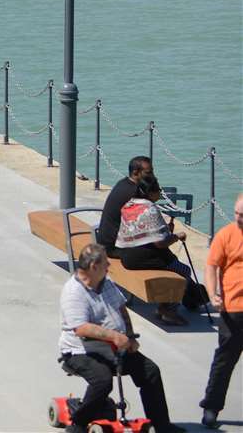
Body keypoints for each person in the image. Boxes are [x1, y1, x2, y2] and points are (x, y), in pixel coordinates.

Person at [58, 242, 178, 433]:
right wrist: (115, 336)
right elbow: (81, 328)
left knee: (150, 372)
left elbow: (121, 308)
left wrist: (129, 336)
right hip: (81, 351)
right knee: (103, 380)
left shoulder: (106, 282)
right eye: (105, 263)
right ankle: (78, 423)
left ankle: (162, 425)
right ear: (93, 267)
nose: (109, 266)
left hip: (114, 348)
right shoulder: (73, 291)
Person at [98, 156, 196, 326]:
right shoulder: (145, 204)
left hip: (123, 246)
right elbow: (159, 242)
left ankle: (191, 296)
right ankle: (170, 307)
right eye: (148, 172)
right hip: (120, 249)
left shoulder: (129, 193)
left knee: (168, 259)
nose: (152, 176)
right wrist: (175, 236)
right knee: (180, 268)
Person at [201, 192, 243, 428]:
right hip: (233, 309)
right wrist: (213, 293)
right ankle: (211, 406)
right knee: (224, 362)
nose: (239, 218)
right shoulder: (226, 235)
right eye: (236, 213)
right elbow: (211, 266)